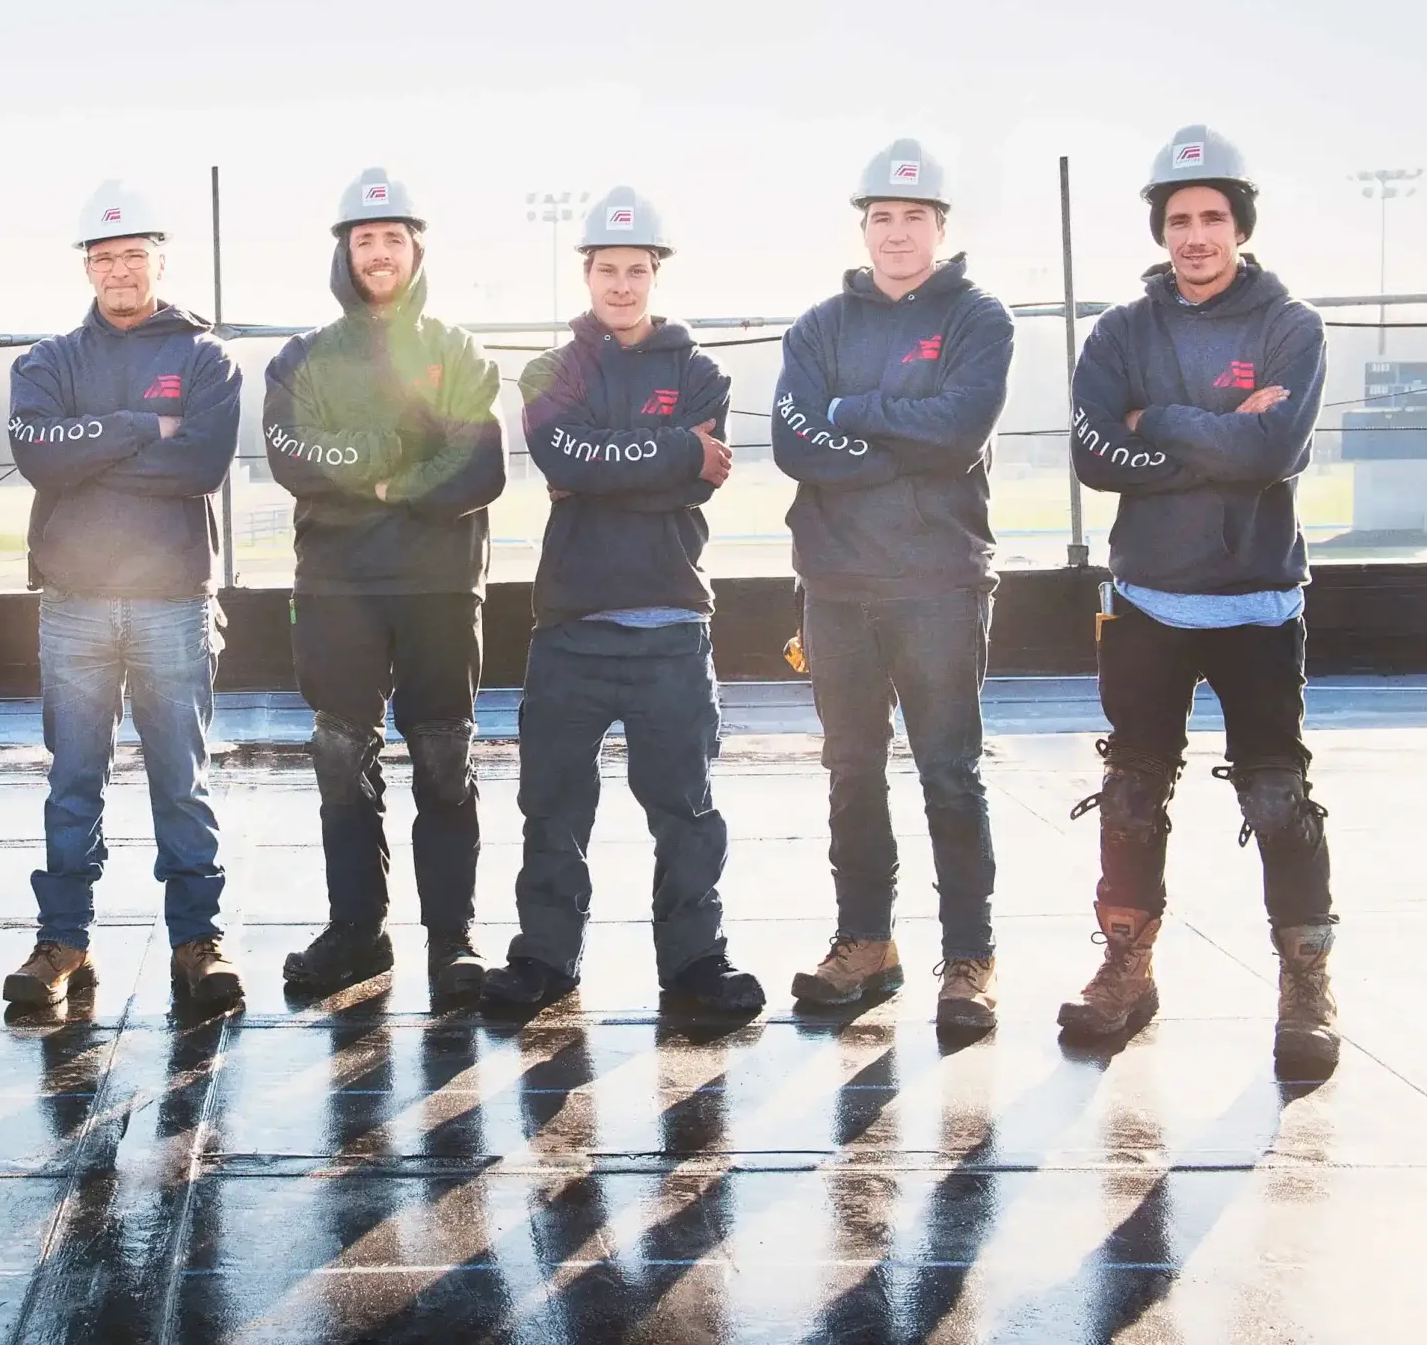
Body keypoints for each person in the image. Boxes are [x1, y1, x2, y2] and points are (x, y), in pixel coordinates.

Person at [1056, 124, 1337, 1079]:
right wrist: (1216, 428)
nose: (1196, 234)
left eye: (1213, 216)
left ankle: (1307, 982)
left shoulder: (1290, 325)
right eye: (1179, 218)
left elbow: (1272, 453)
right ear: (1160, 229)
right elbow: (1096, 455)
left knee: (1277, 790)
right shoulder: (1123, 330)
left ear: (1240, 223)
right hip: (1148, 602)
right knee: (1132, 787)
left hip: (1259, 603)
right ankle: (1126, 969)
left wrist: (1156, 426)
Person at [480, 188, 764, 1018]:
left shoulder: (702, 372)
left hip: (672, 625)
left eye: (637, 269)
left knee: (684, 809)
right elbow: (564, 463)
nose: (623, 283)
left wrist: (620, 465)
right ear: (588, 272)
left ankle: (693, 963)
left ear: (655, 273)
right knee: (552, 806)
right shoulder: (548, 368)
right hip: (572, 622)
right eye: (608, 268)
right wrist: (671, 454)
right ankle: (545, 957)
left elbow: (685, 481)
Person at [772, 140, 1017, 1034]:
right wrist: (896, 446)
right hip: (836, 584)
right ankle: (866, 944)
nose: (898, 231)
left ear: (942, 227)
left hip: (940, 584)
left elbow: (959, 431)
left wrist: (854, 417)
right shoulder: (819, 325)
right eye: (883, 216)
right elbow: (796, 441)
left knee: (950, 774)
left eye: (915, 216)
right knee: (851, 773)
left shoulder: (979, 320)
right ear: (863, 225)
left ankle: (969, 958)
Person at [2, 183, 246, 1014]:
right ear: (85, 265)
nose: (117, 269)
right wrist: (144, 427)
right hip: (74, 599)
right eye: (102, 256)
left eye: (133, 254)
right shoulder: (46, 361)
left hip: (172, 600)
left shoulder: (205, 358)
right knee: (74, 778)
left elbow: (203, 465)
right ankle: (62, 939)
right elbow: (41, 455)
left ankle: (197, 940)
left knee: (182, 780)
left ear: (160, 259)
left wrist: (92, 443)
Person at [263, 167, 506, 999]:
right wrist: (400, 453)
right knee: (341, 756)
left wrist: (374, 480)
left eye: (392, 239)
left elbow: (479, 464)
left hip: (440, 584)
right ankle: (358, 932)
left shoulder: (455, 349)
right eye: (364, 239)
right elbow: (295, 456)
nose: (378, 252)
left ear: (416, 249)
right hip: (337, 587)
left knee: (444, 758)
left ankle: (453, 939)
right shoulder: (302, 358)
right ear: (344, 251)